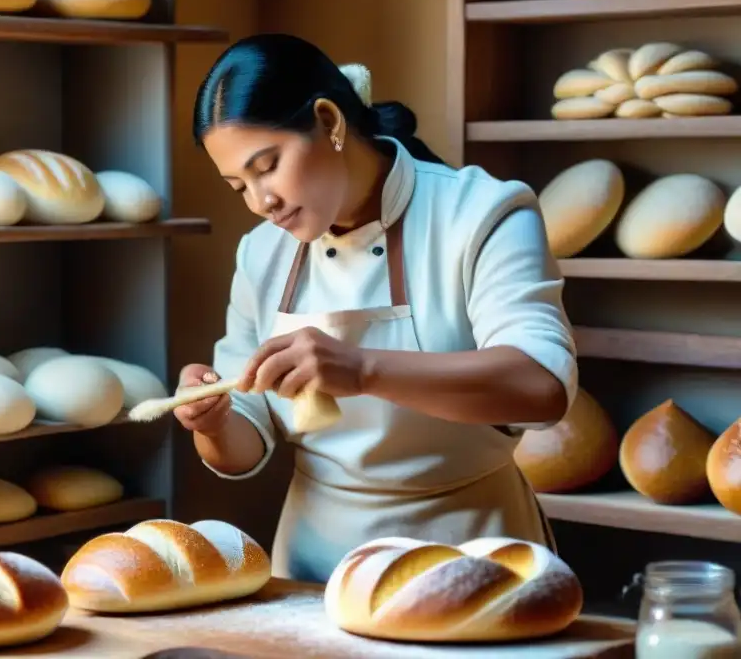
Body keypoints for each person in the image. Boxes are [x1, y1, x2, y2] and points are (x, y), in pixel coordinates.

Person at [176, 33, 577, 585]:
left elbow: (541, 386)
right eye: (236, 185)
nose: (259, 201)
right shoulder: (261, 251)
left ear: (329, 121)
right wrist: (215, 422)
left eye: (267, 165)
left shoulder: (483, 212)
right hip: (317, 568)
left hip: (473, 553)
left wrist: (363, 369)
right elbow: (247, 442)